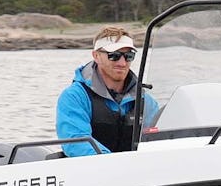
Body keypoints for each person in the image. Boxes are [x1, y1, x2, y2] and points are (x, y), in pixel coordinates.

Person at [55, 26, 160, 157]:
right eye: (114, 56)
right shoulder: (74, 97)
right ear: (96, 56)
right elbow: (75, 143)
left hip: (137, 167)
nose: (122, 63)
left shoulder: (146, 101)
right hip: (93, 168)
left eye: (129, 56)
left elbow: (158, 140)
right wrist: (112, 163)